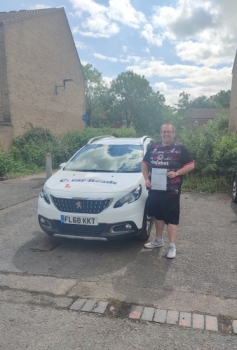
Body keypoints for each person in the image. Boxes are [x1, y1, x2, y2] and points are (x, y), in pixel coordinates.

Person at [142, 122, 195, 258]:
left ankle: (172, 246)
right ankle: (158, 240)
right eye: (164, 132)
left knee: (172, 218)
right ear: (160, 133)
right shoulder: (154, 147)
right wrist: (146, 179)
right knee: (158, 216)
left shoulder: (179, 148)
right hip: (155, 189)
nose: (166, 134)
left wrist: (177, 173)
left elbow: (190, 165)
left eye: (169, 132)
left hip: (172, 191)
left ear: (173, 133)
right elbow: (144, 163)